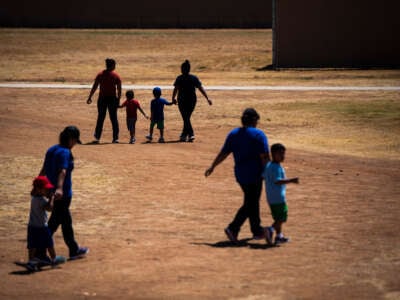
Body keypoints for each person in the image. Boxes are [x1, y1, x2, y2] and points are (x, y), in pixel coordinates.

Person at [205, 108, 272, 244]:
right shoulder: (259, 135)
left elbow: (224, 153)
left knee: (252, 200)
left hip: (240, 175)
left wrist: (213, 166)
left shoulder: (234, 134)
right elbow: (264, 157)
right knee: (251, 202)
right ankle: (233, 228)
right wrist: (269, 173)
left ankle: (256, 230)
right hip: (255, 175)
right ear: (254, 120)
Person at [39, 126, 89, 259]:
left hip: (51, 192)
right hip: (62, 195)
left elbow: (44, 169)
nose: (74, 145)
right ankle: (39, 252)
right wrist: (59, 188)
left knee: (66, 222)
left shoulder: (52, 149)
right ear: (71, 139)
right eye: (75, 141)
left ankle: (73, 249)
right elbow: (62, 171)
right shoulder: (65, 152)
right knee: (54, 223)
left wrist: (38, 184)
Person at [263, 143, 299, 245]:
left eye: (284, 154)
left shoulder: (269, 165)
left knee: (277, 217)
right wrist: (291, 180)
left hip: (271, 197)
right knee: (282, 217)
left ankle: (279, 236)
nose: (283, 156)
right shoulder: (276, 167)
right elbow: (277, 181)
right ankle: (270, 229)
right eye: (280, 154)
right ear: (273, 154)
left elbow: (264, 176)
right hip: (278, 198)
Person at [172, 59, 212, 142]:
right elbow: (176, 89)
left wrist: (207, 98)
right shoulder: (189, 78)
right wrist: (207, 98)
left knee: (186, 117)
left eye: (183, 68)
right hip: (189, 101)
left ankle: (190, 134)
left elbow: (176, 89)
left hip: (185, 101)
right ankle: (185, 134)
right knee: (186, 117)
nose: (182, 70)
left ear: (185, 69)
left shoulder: (182, 78)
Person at [87, 58, 122, 144]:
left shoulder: (100, 74)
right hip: (112, 99)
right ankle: (115, 138)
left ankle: (97, 137)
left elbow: (95, 86)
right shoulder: (116, 76)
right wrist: (118, 99)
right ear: (112, 65)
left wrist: (90, 97)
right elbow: (119, 89)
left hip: (102, 99)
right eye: (114, 65)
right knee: (113, 118)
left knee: (101, 118)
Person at [27, 176, 57, 267]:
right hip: (42, 227)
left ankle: (31, 261)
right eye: (46, 189)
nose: (47, 191)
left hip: (32, 226)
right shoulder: (41, 200)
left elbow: (32, 191)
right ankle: (54, 259)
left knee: (32, 245)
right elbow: (50, 208)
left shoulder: (33, 197)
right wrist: (52, 198)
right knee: (49, 244)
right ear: (39, 189)